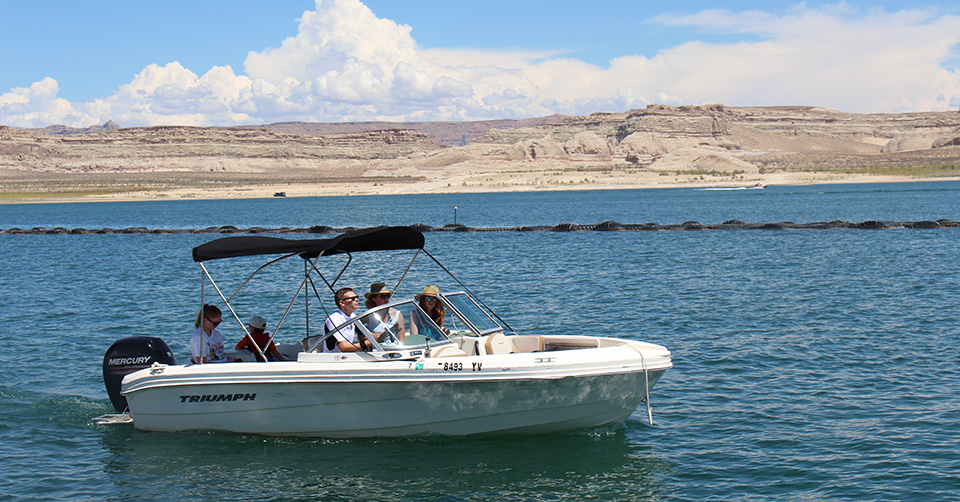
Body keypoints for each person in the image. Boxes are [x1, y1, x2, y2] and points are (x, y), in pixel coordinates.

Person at [323, 287, 375, 352]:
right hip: (335, 359)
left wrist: (384, 334)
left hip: (348, 356)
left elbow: (368, 335)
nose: (356, 300)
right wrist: (369, 343)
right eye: (353, 298)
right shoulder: (334, 319)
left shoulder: (353, 316)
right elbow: (344, 348)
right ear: (342, 303)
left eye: (356, 297)